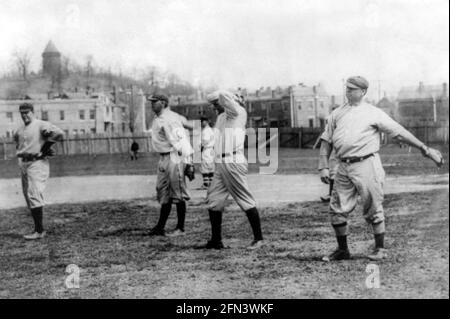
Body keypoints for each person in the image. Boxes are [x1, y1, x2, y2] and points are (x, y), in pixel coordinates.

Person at [318, 76, 443, 261]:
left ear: (363, 92)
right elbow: (326, 141)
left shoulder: (373, 112)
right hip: (343, 165)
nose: (348, 91)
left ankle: (380, 248)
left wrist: (425, 149)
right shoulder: (336, 113)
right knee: (336, 208)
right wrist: (323, 167)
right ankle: (342, 250)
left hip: (366, 164)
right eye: (347, 88)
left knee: (373, 206)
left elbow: (400, 132)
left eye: (353, 89)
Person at [198, 90, 264, 250]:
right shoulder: (221, 117)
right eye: (213, 105)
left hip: (233, 160)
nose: (214, 107)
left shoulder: (238, 112)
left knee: (244, 198)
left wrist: (223, 94)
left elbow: (225, 98)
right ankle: (216, 240)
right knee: (214, 200)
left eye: (216, 103)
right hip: (221, 161)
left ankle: (259, 239)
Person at [13, 102, 64, 240]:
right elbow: (19, 145)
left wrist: (46, 147)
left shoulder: (41, 124)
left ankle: (39, 231)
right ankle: (37, 228)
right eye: (22, 113)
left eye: (27, 112)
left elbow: (59, 133)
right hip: (24, 162)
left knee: (33, 193)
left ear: (32, 112)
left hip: (37, 162)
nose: (24, 115)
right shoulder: (19, 130)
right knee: (28, 196)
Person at [147, 94, 195, 237]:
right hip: (163, 158)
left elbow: (182, 141)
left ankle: (180, 228)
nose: (152, 104)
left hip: (175, 156)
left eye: (155, 102)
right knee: (163, 192)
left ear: (163, 103)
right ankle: (160, 227)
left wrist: (189, 163)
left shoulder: (170, 118)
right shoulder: (158, 118)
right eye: (152, 102)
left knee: (178, 193)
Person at [200, 116, 215, 189]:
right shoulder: (211, 130)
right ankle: (211, 183)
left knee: (205, 167)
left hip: (207, 149)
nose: (201, 123)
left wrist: (201, 148)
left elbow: (205, 142)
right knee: (211, 167)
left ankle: (206, 184)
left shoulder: (206, 130)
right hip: (211, 149)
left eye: (202, 121)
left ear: (205, 122)